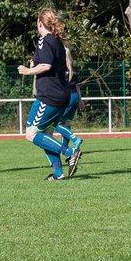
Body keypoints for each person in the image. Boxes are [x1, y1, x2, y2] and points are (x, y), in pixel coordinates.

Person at [18, 9, 73, 180]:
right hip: (62, 94)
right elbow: (48, 63)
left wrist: (28, 71)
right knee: (46, 135)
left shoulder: (44, 41)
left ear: (40, 23)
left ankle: (70, 152)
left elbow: (46, 66)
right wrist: (35, 63)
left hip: (49, 95)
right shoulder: (57, 42)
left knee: (31, 134)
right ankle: (58, 173)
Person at [53, 46, 84, 176]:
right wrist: (81, 100)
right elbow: (76, 86)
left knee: (55, 124)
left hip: (66, 97)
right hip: (75, 97)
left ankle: (75, 139)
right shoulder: (73, 69)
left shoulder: (60, 69)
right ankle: (66, 151)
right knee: (65, 124)